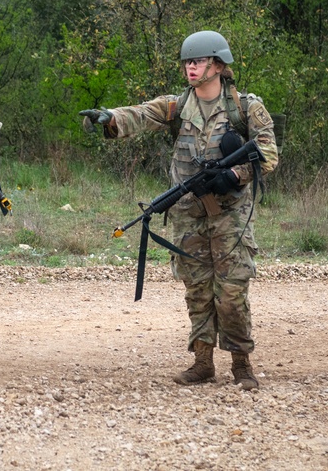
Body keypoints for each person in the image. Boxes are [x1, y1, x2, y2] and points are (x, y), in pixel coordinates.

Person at [79, 31, 279, 390]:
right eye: (188, 61)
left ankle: (241, 365)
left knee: (231, 293)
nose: (191, 67)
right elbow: (142, 114)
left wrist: (235, 174)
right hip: (188, 213)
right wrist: (109, 118)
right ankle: (203, 363)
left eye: (198, 61)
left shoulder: (246, 107)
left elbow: (268, 155)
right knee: (197, 290)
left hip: (230, 215)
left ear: (217, 65)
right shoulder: (177, 105)